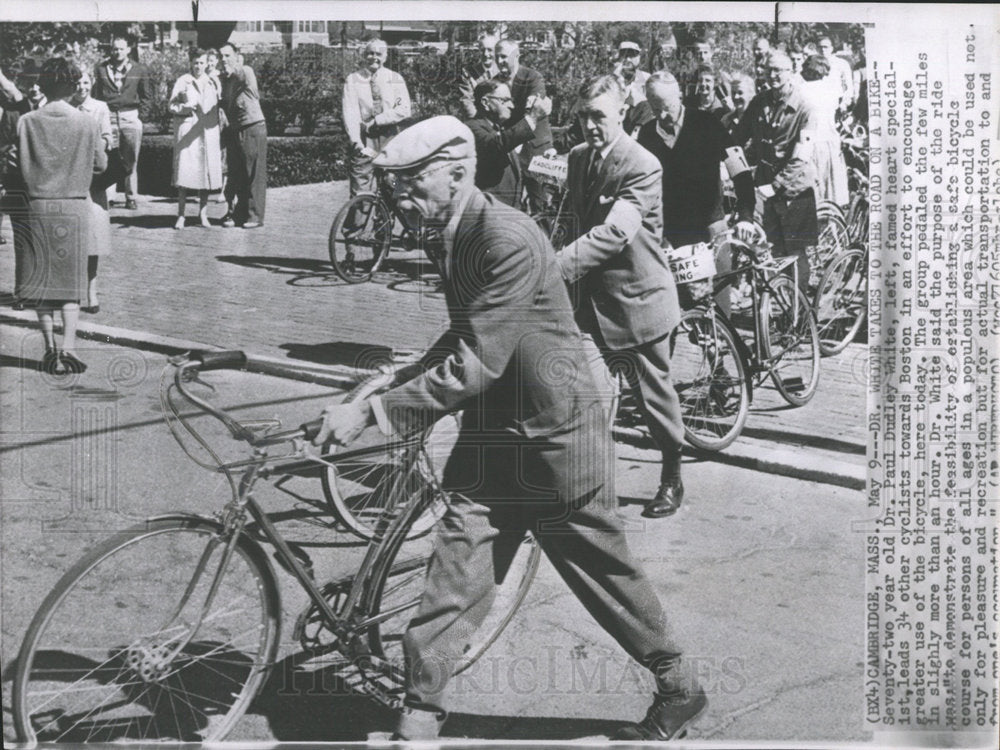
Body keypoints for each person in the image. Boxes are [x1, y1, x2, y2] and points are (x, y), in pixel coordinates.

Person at [313, 115, 706, 743]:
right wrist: (394, 382)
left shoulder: (508, 238)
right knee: (456, 570)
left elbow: (476, 360)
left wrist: (373, 413)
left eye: (411, 182)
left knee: (604, 574)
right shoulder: (452, 232)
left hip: (555, 437)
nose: (399, 198)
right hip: (494, 435)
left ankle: (680, 685)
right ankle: (419, 716)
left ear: (457, 174)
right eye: (393, 185)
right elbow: (465, 334)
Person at [557, 75, 686, 520]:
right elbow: (574, 221)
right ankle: (587, 484)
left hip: (637, 302)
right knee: (581, 390)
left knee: (653, 401)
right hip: (590, 304)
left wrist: (557, 265)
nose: (590, 125)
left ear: (622, 113)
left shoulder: (643, 164)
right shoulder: (578, 157)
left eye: (599, 116)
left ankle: (672, 475)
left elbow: (615, 232)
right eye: (583, 116)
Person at [14, 57, 106, 373]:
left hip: (38, 207)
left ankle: (49, 350)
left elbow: (15, 163)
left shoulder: (26, 121)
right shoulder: (87, 123)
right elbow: (101, 165)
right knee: (70, 286)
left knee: (42, 286)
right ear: (71, 85)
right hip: (73, 208)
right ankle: (68, 348)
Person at [736, 50, 818, 292]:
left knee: (795, 251)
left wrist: (775, 185)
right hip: (766, 187)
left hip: (795, 190)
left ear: (790, 73)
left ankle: (801, 307)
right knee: (771, 248)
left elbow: (801, 157)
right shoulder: (759, 102)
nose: (772, 75)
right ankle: (779, 301)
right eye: (768, 70)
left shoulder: (805, 109)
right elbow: (738, 136)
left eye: (778, 70)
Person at [342, 38, 411, 198]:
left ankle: (387, 214)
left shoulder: (395, 79)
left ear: (385, 57)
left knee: (392, 186)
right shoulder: (353, 80)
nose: (374, 57)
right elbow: (350, 112)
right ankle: (358, 215)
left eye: (378, 54)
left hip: (391, 137)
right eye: (370, 53)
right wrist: (356, 141)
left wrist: (378, 120)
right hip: (365, 138)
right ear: (364, 55)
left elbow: (403, 109)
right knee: (360, 189)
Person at [464, 79, 549, 208]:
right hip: (489, 213)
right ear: (485, 102)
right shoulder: (472, 128)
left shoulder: (497, 130)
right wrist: (532, 117)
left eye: (511, 101)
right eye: (505, 100)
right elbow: (495, 146)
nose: (512, 106)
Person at [91, 34, 151, 210]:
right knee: (108, 156)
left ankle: (131, 196)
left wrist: (141, 117)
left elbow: (147, 95)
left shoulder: (139, 69)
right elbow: (96, 94)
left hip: (130, 116)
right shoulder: (101, 68)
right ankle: (108, 197)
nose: (117, 52)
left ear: (128, 50)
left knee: (131, 159)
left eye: (121, 49)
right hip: (108, 116)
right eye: (115, 49)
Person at [494, 39, 553, 215]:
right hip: (510, 153)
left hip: (537, 150)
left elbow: (535, 106)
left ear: (516, 56)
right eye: (497, 57)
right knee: (510, 204)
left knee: (541, 205)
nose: (500, 61)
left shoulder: (532, 77)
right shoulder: (494, 83)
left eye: (504, 56)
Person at [72, 66, 113, 314]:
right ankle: (74, 291)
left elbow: (109, 138)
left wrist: (96, 146)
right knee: (72, 237)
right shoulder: (66, 108)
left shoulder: (100, 108)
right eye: (78, 83)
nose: (82, 87)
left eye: (86, 83)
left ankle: (92, 291)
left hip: (93, 181)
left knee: (93, 240)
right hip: (70, 179)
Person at [169, 47, 223, 229]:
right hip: (188, 131)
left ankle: (203, 214)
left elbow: (219, 104)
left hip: (207, 132)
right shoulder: (183, 81)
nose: (198, 66)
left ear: (207, 63)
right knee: (184, 174)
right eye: (195, 63)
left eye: (201, 62)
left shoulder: (212, 82)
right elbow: (171, 106)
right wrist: (185, 107)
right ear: (190, 63)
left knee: (205, 175)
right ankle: (181, 215)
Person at [218, 43, 267, 228]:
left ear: (237, 56)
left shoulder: (245, 71)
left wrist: (229, 69)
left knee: (253, 173)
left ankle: (255, 216)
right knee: (238, 173)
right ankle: (239, 214)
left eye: (227, 55)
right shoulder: (226, 80)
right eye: (221, 56)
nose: (223, 59)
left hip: (252, 126)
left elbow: (239, 74)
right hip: (236, 128)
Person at [799, 54, 849, 207]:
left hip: (810, 143)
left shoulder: (801, 89)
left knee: (813, 189)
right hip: (830, 143)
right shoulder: (832, 89)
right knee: (829, 189)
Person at [614, 41, 652, 137]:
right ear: (619, 57)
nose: (628, 59)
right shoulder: (612, 78)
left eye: (632, 55)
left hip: (640, 123)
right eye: (624, 55)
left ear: (638, 57)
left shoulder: (647, 78)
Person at [457, 34, 500, 118]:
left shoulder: (503, 71)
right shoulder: (468, 72)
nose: (486, 54)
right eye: (482, 50)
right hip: (479, 118)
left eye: (490, 50)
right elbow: (466, 101)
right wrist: (479, 121)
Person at [816, 35, 854, 114]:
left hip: (835, 105)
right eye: (820, 47)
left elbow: (849, 87)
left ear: (831, 48)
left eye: (825, 47)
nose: (823, 50)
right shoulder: (813, 64)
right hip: (817, 104)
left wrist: (844, 104)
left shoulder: (841, 64)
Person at [721, 73, 755, 139]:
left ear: (751, 95)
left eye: (740, 93)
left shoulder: (757, 120)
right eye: (733, 93)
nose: (736, 97)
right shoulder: (726, 120)